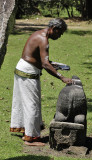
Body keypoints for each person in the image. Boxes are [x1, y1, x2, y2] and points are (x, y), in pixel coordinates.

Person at [10, 18, 72, 146]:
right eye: (59, 33)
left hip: (22, 69)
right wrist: (62, 77)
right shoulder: (44, 40)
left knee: (24, 103)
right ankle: (31, 138)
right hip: (28, 73)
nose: (59, 36)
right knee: (31, 104)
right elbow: (44, 63)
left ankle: (26, 131)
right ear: (54, 28)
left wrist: (52, 64)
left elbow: (38, 58)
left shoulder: (39, 34)